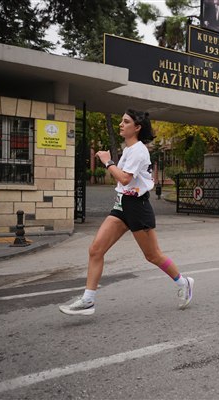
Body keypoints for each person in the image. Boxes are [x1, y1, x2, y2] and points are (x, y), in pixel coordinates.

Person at [59, 109, 194, 316]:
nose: (121, 125)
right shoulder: (128, 149)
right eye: (121, 121)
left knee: (153, 255)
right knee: (96, 250)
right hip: (122, 204)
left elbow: (124, 178)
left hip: (138, 207)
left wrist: (107, 161)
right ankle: (88, 300)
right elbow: (123, 181)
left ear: (137, 127)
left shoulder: (139, 150)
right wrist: (112, 164)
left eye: (126, 121)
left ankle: (184, 282)